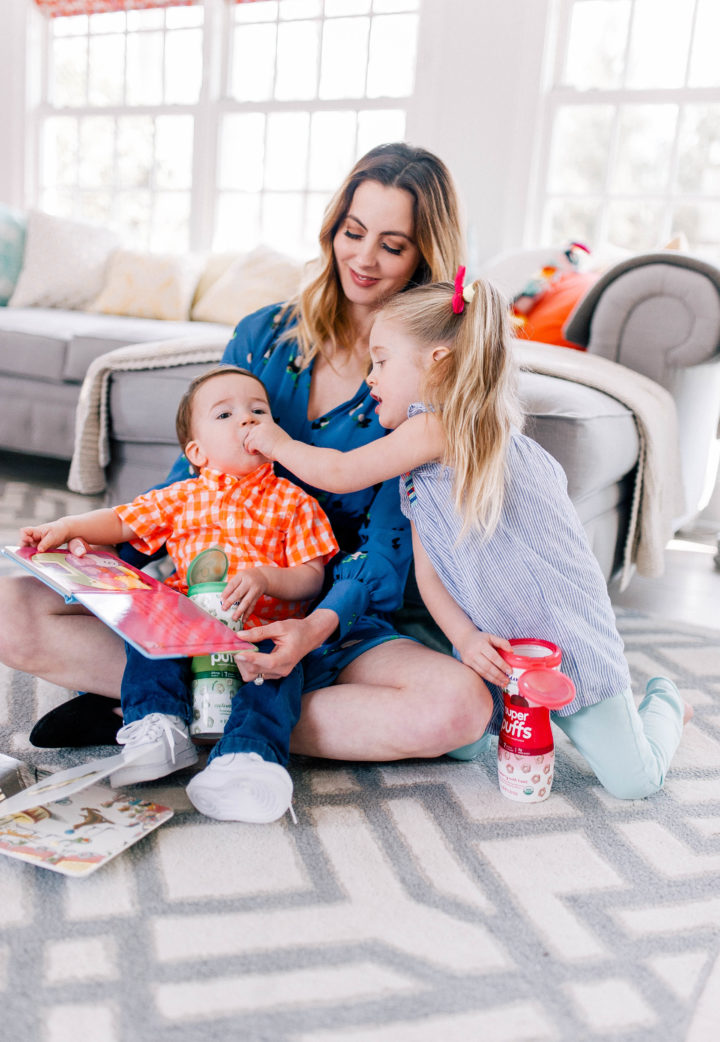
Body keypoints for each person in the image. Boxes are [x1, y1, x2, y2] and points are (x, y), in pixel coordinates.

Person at [0, 142, 495, 764]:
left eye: (392, 246)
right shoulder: (263, 334)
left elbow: (388, 550)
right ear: (333, 229)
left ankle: (167, 707)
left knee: (461, 708)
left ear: (426, 257)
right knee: (12, 608)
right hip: (207, 601)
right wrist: (97, 547)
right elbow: (193, 479)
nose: (363, 260)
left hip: (329, 620)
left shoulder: (426, 377)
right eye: (353, 232)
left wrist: (311, 626)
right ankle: (235, 712)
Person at [243, 272, 691, 800]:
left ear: (437, 363)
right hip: (497, 653)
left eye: (382, 361)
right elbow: (432, 576)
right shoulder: (417, 471)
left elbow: (340, 472)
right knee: (462, 742)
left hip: (563, 643)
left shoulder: (445, 428)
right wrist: (464, 639)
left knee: (634, 782)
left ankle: (664, 703)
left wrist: (275, 440)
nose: (370, 378)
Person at [19, 365, 338, 822]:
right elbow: (121, 521)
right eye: (225, 415)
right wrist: (68, 526)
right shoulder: (183, 496)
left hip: (260, 629)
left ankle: (246, 759)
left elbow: (312, 576)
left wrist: (268, 578)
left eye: (258, 411)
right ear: (197, 452)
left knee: (276, 678)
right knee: (150, 631)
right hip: (190, 625)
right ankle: (159, 726)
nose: (247, 420)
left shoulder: (294, 501)